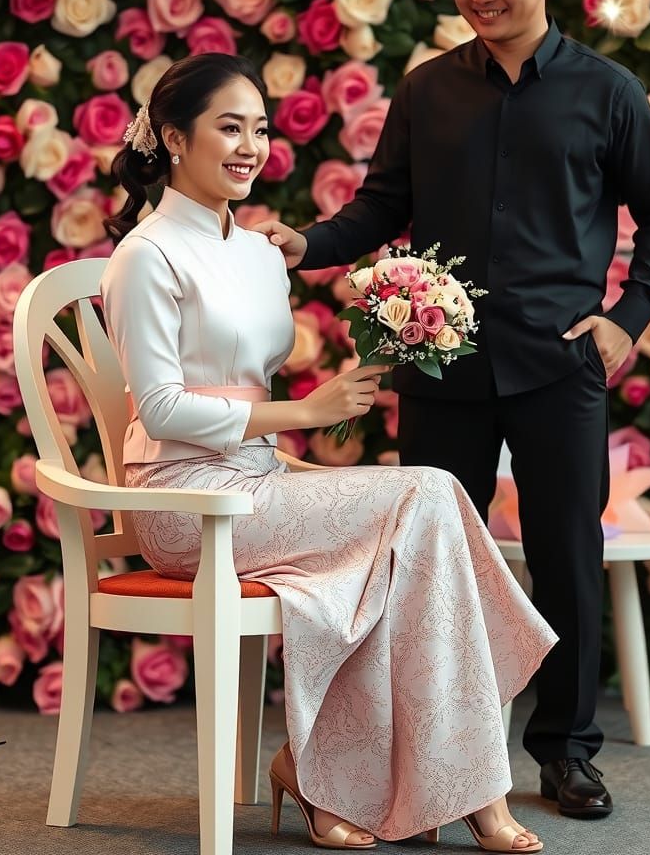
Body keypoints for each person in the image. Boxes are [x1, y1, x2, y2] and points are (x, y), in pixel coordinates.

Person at [255, 0, 650, 820]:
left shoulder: (606, 92)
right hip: (440, 364)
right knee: (428, 569)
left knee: (566, 556)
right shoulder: (428, 89)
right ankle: (432, 750)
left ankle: (565, 750)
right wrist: (308, 243)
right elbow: (382, 208)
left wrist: (629, 315)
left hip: (558, 363)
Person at [99, 52, 558, 851]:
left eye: (261, 129)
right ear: (173, 137)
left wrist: (394, 332)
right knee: (427, 497)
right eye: (228, 127)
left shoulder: (255, 250)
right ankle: (468, 788)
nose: (251, 146)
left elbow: (253, 374)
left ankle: (343, 774)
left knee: (420, 519)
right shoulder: (146, 254)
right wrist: (306, 409)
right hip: (187, 503)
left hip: (262, 485)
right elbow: (163, 409)